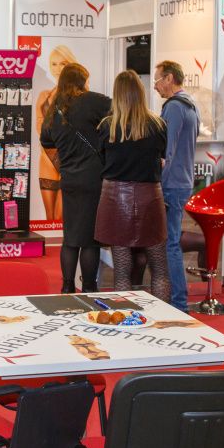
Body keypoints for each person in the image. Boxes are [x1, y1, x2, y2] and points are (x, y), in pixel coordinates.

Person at [94, 70, 170, 301]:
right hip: (150, 197)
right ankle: (164, 318)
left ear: (117, 95)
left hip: (115, 198)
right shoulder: (158, 125)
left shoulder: (107, 126)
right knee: (159, 268)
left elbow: (103, 161)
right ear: (141, 92)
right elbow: (162, 159)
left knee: (122, 271)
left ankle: (124, 317)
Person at [39, 63, 110, 293]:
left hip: (68, 179)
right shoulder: (95, 101)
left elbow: (46, 141)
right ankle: (89, 287)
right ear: (82, 81)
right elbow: (118, 118)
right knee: (89, 239)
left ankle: (67, 286)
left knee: (70, 237)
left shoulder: (55, 109)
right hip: (94, 178)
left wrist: (63, 164)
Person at [154, 60, 199, 313]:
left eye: (158, 80)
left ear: (169, 78)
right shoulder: (191, 105)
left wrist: (156, 183)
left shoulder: (173, 107)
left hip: (171, 184)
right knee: (171, 242)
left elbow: (166, 153)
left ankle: (179, 303)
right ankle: (177, 301)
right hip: (182, 182)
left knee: (170, 244)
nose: (156, 86)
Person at [35, 45, 78, 221]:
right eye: (53, 64)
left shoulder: (80, 97)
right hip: (47, 157)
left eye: (63, 63)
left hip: (69, 157)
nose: (58, 69)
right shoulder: (44, 95)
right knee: (49, 219)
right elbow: (40, 129)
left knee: (61, 217)